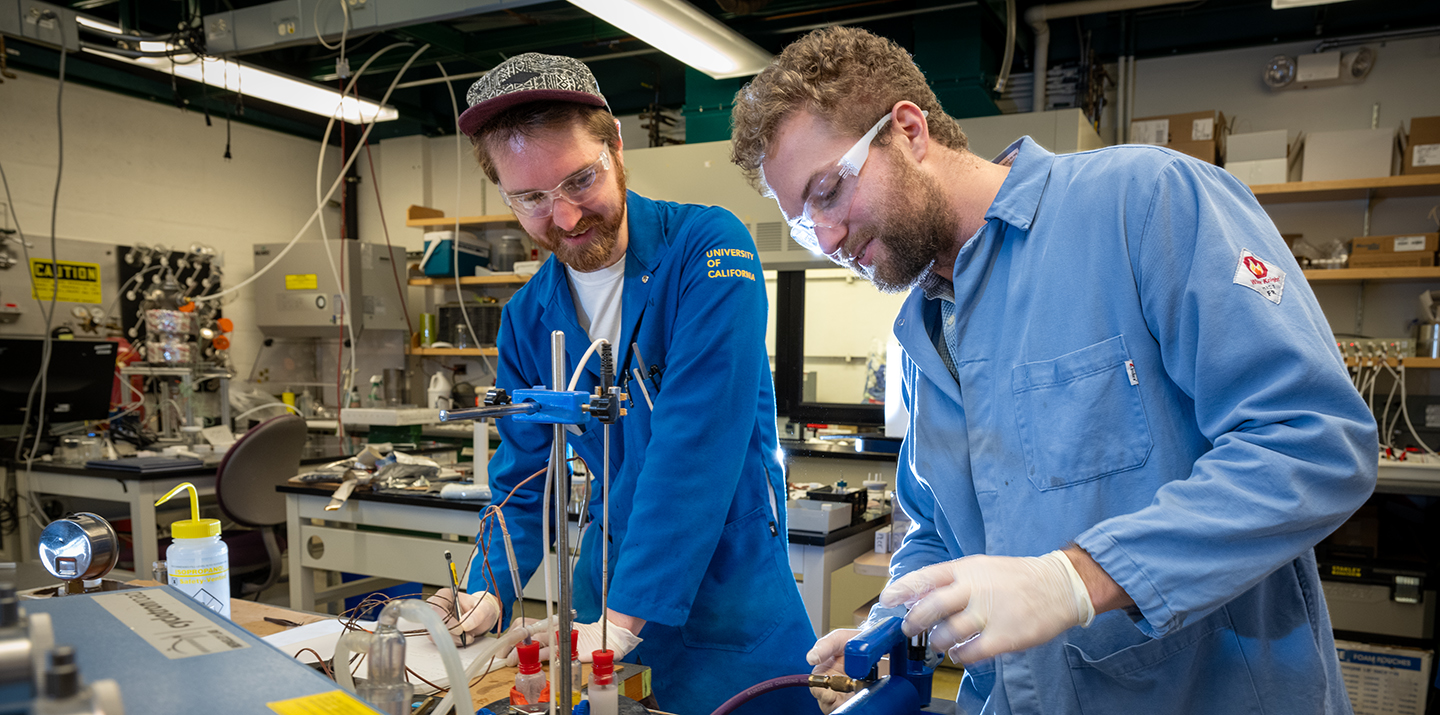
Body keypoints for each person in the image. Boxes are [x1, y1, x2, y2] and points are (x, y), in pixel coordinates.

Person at [729, 26, 1378, 714]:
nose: (826, 240)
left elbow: (1313, 439)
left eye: (827, 191)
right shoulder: (923, 331)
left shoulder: (1142, 203)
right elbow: (936, 529)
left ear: (910, 131)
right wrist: (898, 616)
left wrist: (1075, 579)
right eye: (804, 224)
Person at [425, 53, 819, 715]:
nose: (568, 217)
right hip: (599, 598)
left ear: (617, 146)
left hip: (726, 602)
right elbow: (525, 478)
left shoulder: (707, 251)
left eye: (581, 180)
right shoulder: (528, 318)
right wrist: (486, 589)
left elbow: (694, 448)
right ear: (506, 197)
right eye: (533, 199)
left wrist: (624, 620)